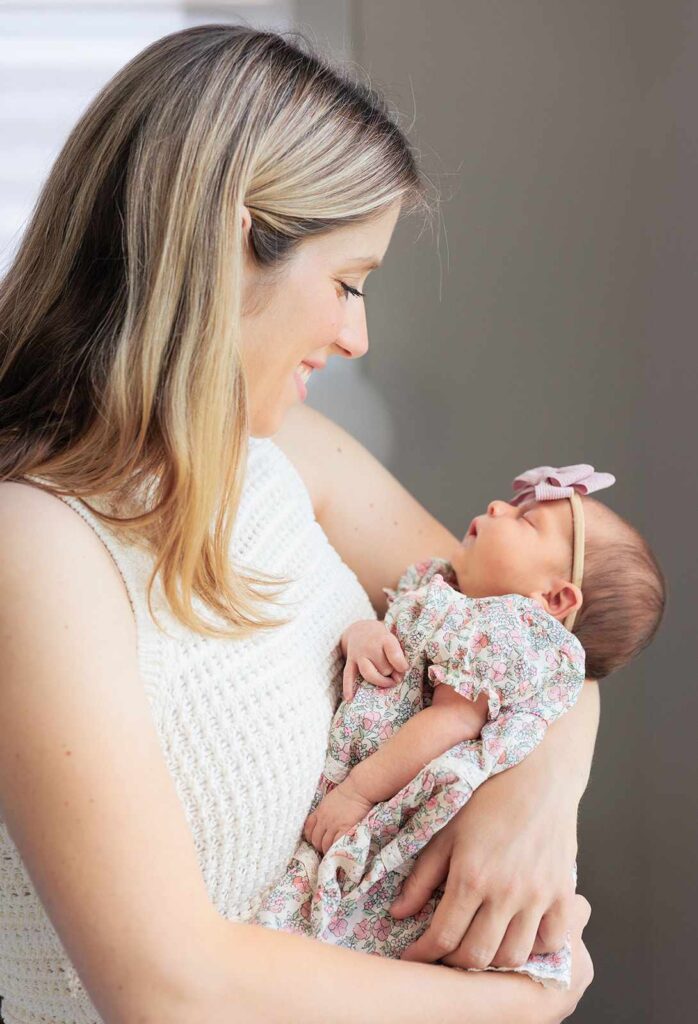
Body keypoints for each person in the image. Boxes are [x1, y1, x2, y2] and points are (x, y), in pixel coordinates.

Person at [0, 24, 597, 1024]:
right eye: (347, 282)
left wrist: (526, 808)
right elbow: (170, 991)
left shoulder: (282, 456)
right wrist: (524, 1005)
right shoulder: (37, 547)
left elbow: (544, 638)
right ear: (232, 241)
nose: (355, 335)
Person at [253, 470, 665, 991]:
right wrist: (366, 633)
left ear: (555, 599)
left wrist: (357, 792)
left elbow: (449, 721)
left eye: (526, 521)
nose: (497, 507)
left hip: (391, 798)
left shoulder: (506, 630)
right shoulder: (441, 588)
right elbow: (394, 629)